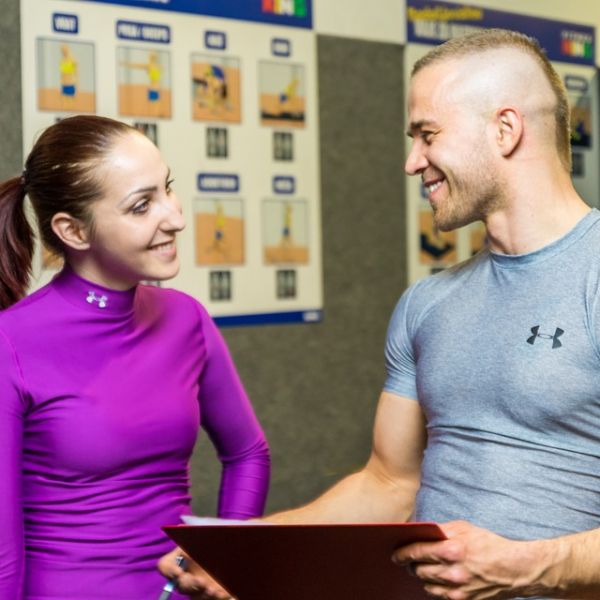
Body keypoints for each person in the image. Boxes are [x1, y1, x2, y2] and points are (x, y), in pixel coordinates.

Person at [165, 28, 600, 599]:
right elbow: (389, 482)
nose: (412, 161)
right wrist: (246, 550)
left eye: (427, 135)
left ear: (505, 129)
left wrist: (532, 564)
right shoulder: (427, 302)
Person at [0, 115, 270, 599]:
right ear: (73, 231)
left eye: (167, 190)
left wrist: (219, 561)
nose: (176, 217)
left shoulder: (186, 319)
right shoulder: (11, 342)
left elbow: (248, 453)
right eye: (142, 205)